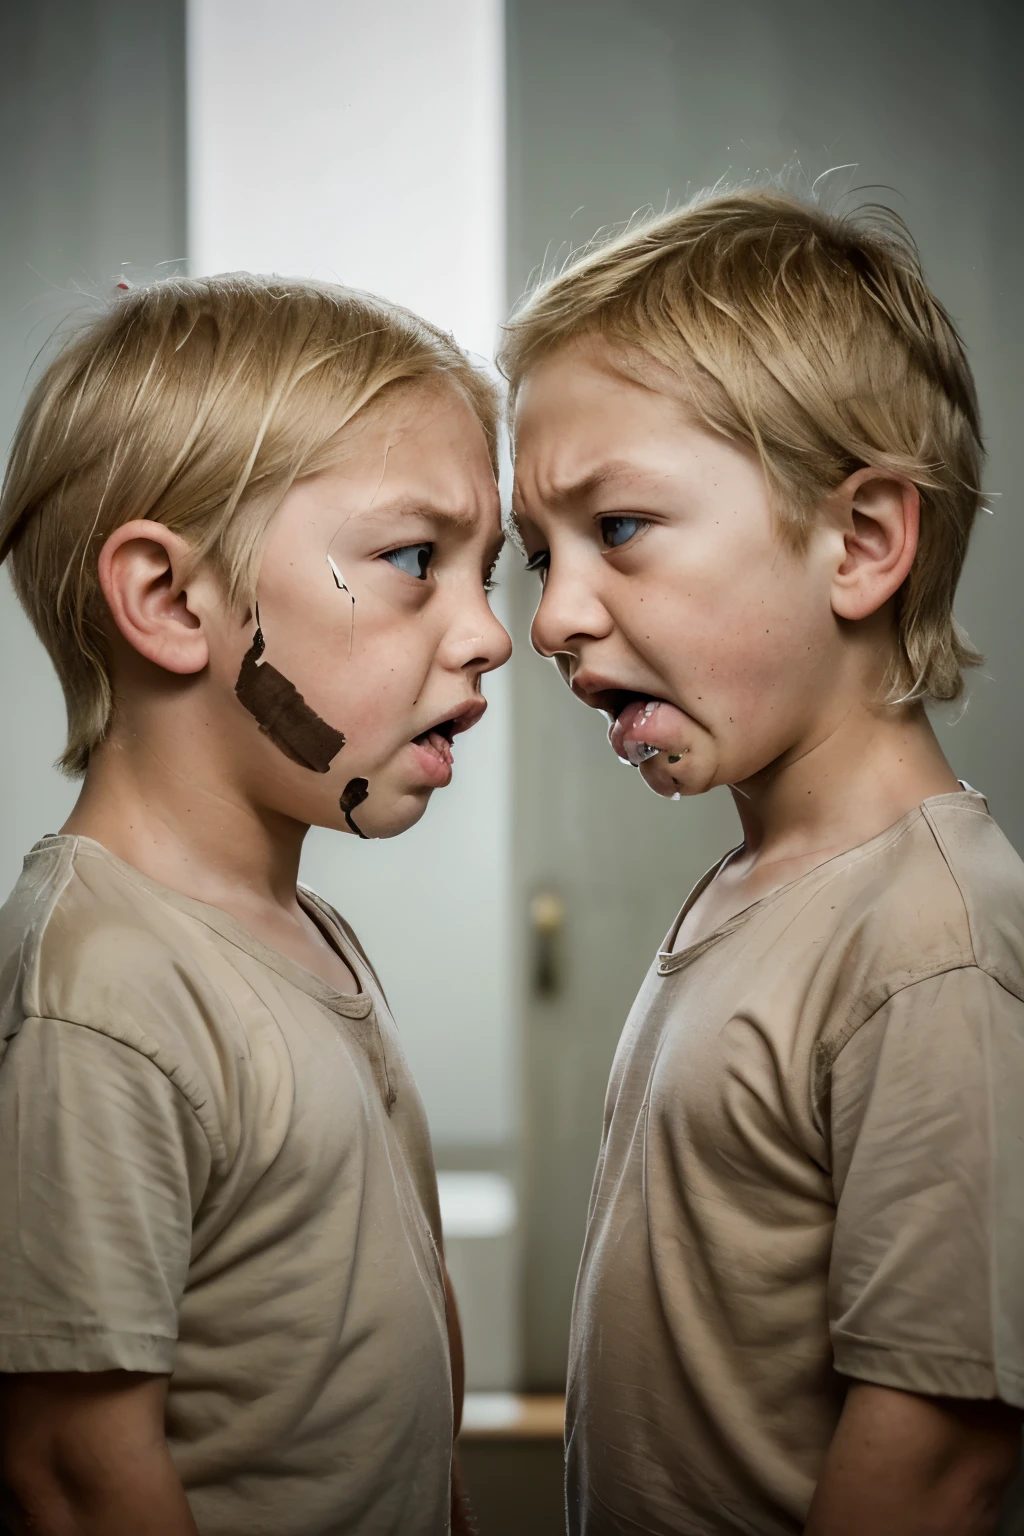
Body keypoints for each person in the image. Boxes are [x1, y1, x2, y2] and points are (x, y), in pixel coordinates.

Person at [500, 188, 1024, 1536]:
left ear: (860, 544)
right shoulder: (759, 889)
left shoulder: (931, 945)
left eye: (615, 528)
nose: (553, 617)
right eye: (536, 556)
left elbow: (939, 1457)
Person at [0, 273, 511, 1535]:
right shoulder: (105, 991)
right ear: (173, 603)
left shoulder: (298, 933)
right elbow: (72, 1471)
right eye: (413, 561)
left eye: (486, 570)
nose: (492, 634)